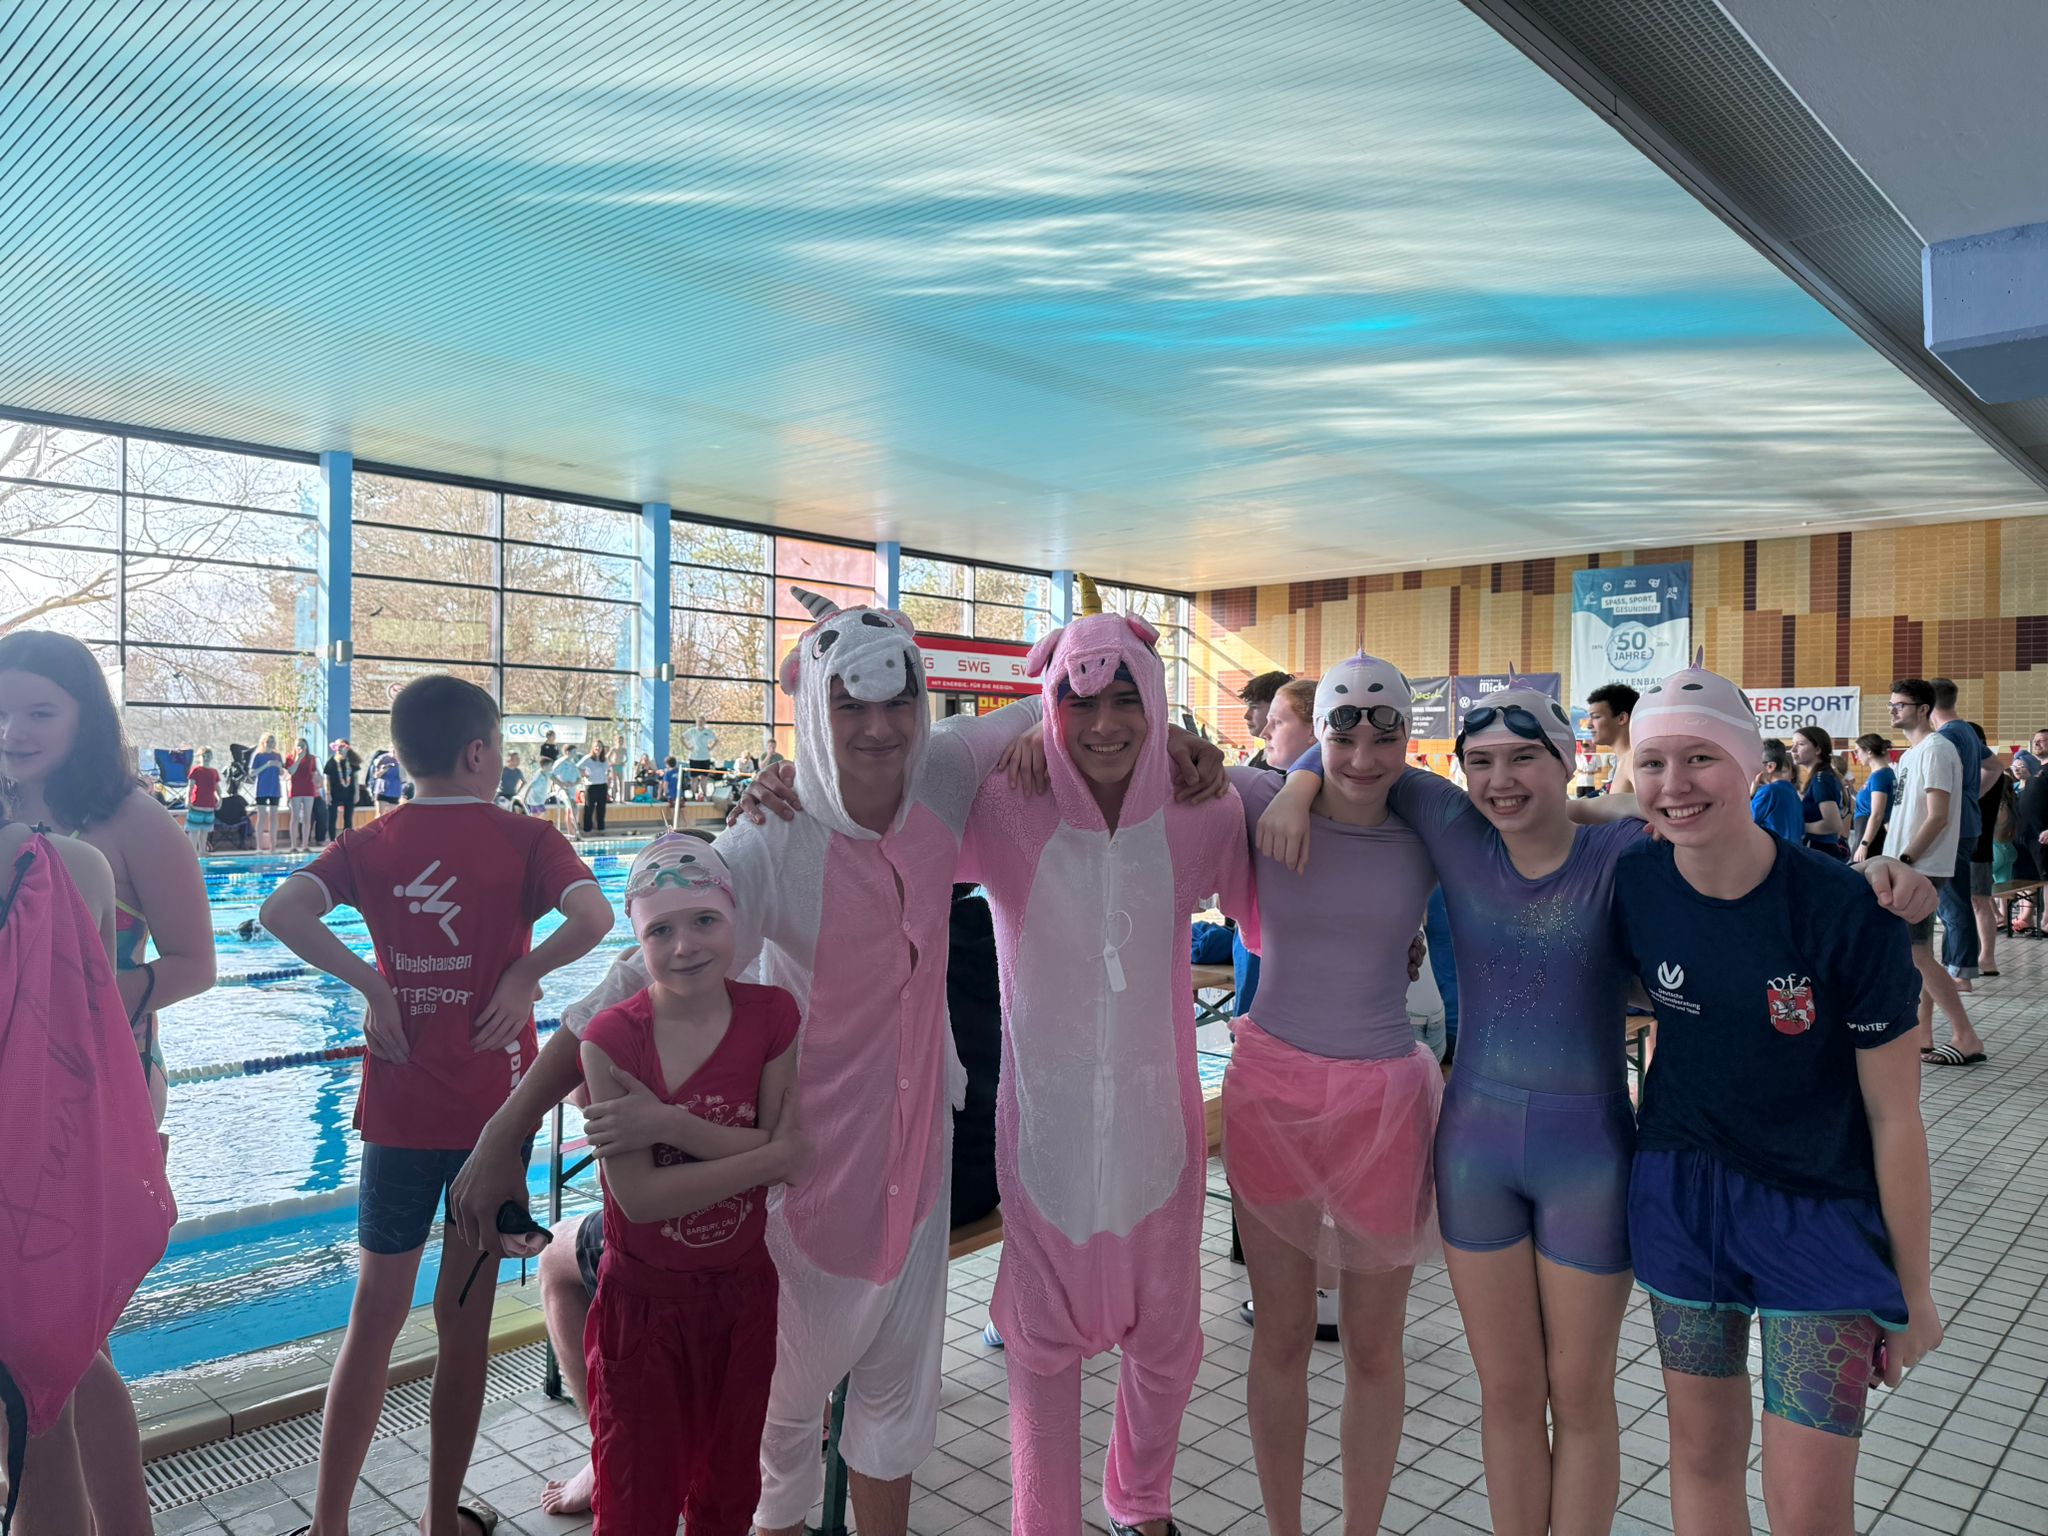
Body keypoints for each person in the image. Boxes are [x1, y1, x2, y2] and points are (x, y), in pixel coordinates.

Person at [457, 585, 1228, 1536]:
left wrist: (1179, 741)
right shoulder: (770, 841)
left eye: (898, 702)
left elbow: (1074, 695)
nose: (878, 728)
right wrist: (506, 1130)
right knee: (779, 1446)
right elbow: (622, 995)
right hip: (803, 1194)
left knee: (896, 1429)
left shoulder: (944, 774)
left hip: (919, 1183)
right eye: (848, 706)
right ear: (812, 713)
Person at [258, 675, 612, 1536]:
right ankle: (439, 1523)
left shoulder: (371, 841)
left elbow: (280, 909)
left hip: (399, 1114)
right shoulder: (527, 838)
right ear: (480, 752)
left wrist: (372, 983)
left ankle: (330, 1524)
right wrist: (525, 974)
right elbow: (597, 915)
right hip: (494, 1121)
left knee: (372, 1321)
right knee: (463, 1325)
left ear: (404, 755)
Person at [956, 581, 1253, 1536]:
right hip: (1043, 1138)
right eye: (1077, 701)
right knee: (1039, 1352)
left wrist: (1237, 769)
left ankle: (1141, 1504)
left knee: (1167, 1342)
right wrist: (1019, 727)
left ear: (1158, 703)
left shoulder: (1204, 811)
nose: (1105, 724)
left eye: (1129, 699)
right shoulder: (1006, 803)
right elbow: (899, 802)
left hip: (1158, 1135)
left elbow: (1268, 900)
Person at [1617, 663, 1941, 1533]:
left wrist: (1914, 1290)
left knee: (1808, 1506)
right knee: (1702, 1456)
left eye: (1700, 758)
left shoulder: (1848, 908)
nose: (1675, 785)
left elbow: (1895, 1116)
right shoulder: (1635, 881)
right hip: (1682, 1195)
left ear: (1751, 765)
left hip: (1821, 1215)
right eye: (1653, 763)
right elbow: (1551, 820)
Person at [0, 629, 216, 1536]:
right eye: (0, 713)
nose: (13, 732)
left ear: (85, 718)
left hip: (108, 1084)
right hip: (19, 1088)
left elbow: (196, 961)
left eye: (39, 712)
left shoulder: (128, 820)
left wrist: (83, 999)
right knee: (73, 1346)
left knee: (66, 1340)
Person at [1222, 655, 1440, 1536]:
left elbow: (1543, 812)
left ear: (1407, 739)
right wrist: (1295, 786)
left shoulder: (1428, 824)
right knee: (1279, 1337)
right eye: (1340, 736)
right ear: (1317, 734)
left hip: (1386, 1100)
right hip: (1271, 1092)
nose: (1362, 756)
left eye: (1384, 736)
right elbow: (1153, 752)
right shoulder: (1256, 801)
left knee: (1374, 1347)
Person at [576, 835, 805, 1535]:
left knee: (729, 1495)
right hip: (645, 1310)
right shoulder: (610, 1041)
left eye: (705, 920)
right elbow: (642, 1200)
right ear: (637, 938)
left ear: (734, 918)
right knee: (635, 1505)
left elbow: (792, 1157)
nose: (685, 946)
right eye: (660, 930)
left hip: (744, 1297)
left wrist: (667, 1123)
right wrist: (764, 1154)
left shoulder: (773, 1015)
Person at [0, 817, 175, 1536]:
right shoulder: (71, 864)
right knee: (47, 1414)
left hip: (40, 1184)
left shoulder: (88, 855)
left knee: (44, 1416)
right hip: (42, 1188)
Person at [1873, 679, 1984, 1067]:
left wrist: (1904, 861)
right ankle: (1923, 1035)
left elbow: (1938, 817)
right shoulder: (1910, 754)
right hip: (1910, 864)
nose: (1893, 710)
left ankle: (1966, 1036)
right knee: (1917, 952)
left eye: (1900, 705)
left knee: (1916, 952)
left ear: (1923, 709)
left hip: (1921, 866)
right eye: (1891, 704)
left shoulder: (1937, 749)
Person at [1930, 679, 1994, 984]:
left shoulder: (1947, 736)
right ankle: (1956, 966)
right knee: (1953, 899)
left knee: (1952, 901)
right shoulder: (1966, 729)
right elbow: (1994, 767)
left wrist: (1959, 802)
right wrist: (1970, 797)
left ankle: (1960, 972)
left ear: (1927, 705)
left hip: (1954, 828)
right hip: (1967, 824)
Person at [1971, 725, 2013, 977]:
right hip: (1972, 847)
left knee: (1979, 902)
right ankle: (1974, 956)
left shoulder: (1988, 772)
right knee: (1974, 904)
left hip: (1978, 847)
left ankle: (1986, 957)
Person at [1791, 725, 1848, 858]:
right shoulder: (1823, 776)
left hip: (1820, 849)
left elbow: (1833, 825)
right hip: (1822, 848)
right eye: (1793, 744)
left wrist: (1797, 826)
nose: (1793, 750)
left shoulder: (1821, 779)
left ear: (1817, 749)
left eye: (1800, 744)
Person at [1585, 682, 1638, 793]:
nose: (1589, 725)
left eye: (1596, 717)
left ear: (1621, 718)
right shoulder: (1619, 761)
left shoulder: (1635, 761)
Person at [1851, 734, 1897, 861]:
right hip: (1871, 831)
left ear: (1869, 751)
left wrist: (1864, 844)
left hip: (1869, 833)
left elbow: (1877, 814)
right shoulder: (1883, 773)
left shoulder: (1879, 776)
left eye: (1857, 751)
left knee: (1858, 869)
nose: (1856, 756)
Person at [1750, 741, 1805, 843]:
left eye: (1756, 763)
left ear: (1770, 766)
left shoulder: (1768, 791)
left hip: (1777, 851)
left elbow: (1745, 822)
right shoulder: (1792, 791)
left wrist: (1751, 795)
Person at [1239, 669, 1295, 768]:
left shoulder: (1290, 762)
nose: (1246, 716)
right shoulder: (1258, 757)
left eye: (1254, 707)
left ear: (1277, 707)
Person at [250, 732, 285, 850]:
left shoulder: (277, 756)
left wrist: (279, 767)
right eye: (268, 742)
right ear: (263, 743)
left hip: (274, 789)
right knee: (262, 816)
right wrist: (267, 765)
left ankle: (273, 846)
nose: (270, 744)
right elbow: (252, 773)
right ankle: (258, 847)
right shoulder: (258, 756)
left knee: (274, 817)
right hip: (262, 789)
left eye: (272, 741)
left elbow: (281, 773)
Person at [184, 747, 221, 856]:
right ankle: (193, 852)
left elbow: (216, 788)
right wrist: (188, 799)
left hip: (209, 805)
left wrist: (219, 799)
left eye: (208, 756)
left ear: (212, 757)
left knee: (205, 830)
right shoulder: (196, 770)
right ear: (199, 757)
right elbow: (190, 786)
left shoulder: (214, 772)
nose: (206, 758)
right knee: (194, 830)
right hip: (197, 805)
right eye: (204, 756)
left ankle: (202, 850)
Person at [285, 736, 320, 852]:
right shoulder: (290, 757)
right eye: (298, 745)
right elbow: (291, 771)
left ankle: (305, 845)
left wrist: (318, 778)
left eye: (302, 745)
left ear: (306, 746)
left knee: (307, 817)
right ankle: (293, 845)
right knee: (295, 817)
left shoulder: (312, 758)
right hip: (296, 790)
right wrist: (299, 759)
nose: (300, 747)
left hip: (308, 789)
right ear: (295, 747)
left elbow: (314, 772)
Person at [324, 740, 361, 836]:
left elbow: (356, 779)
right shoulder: (331, 761)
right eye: (336, 746)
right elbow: (327, 779)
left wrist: (357, 793)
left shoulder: (352, 762)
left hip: (349, 793)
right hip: (334, 793)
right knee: (332, 817)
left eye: (341, 746)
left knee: (348, 818)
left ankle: (346, 839)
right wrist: (327, 793)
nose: (338, 749)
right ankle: (332, 839)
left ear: (347, 748)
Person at [682, 714, 718, 800]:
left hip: (705, 757)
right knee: (694, 778)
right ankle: (693, 795)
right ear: (696, 722)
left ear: (704, 722)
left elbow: (716, 740)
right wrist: (688, 747)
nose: (700, 723)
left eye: (702, 721)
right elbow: (681, 737)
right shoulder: (692, 731)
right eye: (698, 721)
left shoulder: (708, 732)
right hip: (694, 758)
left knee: (704, 778)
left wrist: (711, 748)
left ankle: (704, 795)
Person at [580, 743, 611, 835]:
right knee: (589, 808)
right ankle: (587, 829)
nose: (598, 748)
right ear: (593, 748)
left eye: (600, 747)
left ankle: (601, 828)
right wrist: (584, 774)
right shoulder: (588, 758)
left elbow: (608, 770)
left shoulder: (604, 759)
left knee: (601, 808)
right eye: (596, 746)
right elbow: (578, 767)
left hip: (602, 785)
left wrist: (608, 781)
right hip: (591, 785)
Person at [369, 747, 404, 819]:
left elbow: (404, 779)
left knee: (392, 816)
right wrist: (385, 768)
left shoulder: (403, 761)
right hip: (381, 790)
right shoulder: (383, 758)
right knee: (380, 815)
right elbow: (376, 775)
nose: (394, 753)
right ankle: (378, 826)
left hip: (395, 791)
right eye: (393, 751)